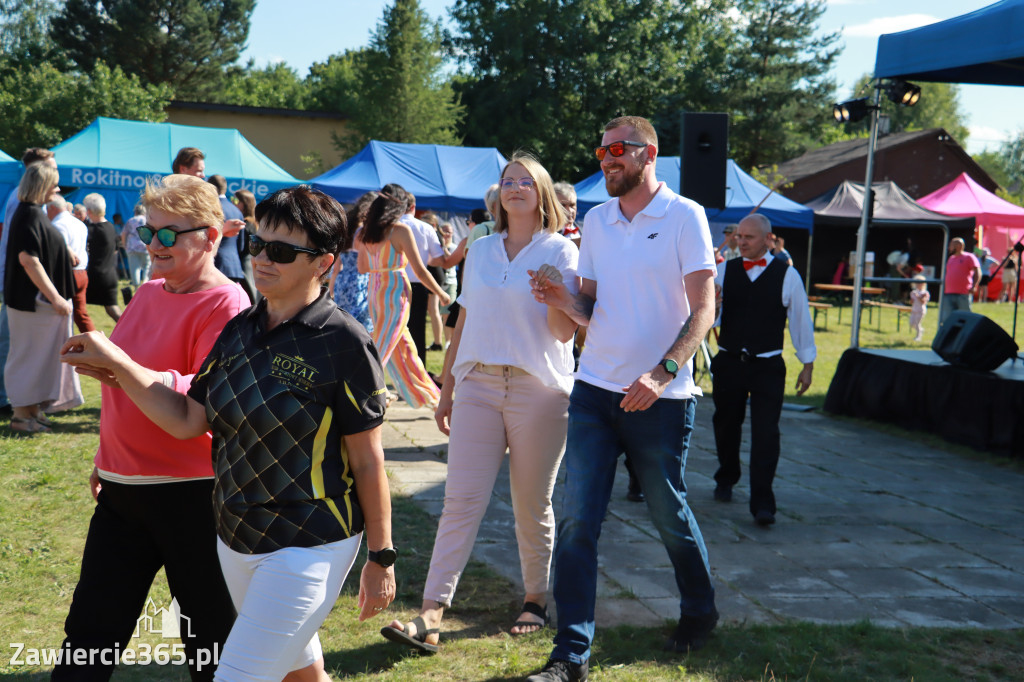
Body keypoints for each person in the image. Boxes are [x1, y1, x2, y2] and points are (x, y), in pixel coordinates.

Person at [61, 185, 396, 682]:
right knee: (299, 673)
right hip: (236, 540)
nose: (262, 260)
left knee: (235, 674)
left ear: (324, 263)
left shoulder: (342, 341)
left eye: (281, 252)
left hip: (308, 541)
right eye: (258, 245)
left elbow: (368, 461)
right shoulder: (241, 329)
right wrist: (117, 374)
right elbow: (189, 419)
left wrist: (381, 557)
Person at [528, 115, 718, 682]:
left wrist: (661, 374)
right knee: (577, 519)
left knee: (668, 514)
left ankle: (699, 610)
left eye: (618, 149)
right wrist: (562, 297)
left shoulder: (686, 216)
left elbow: (704, 310)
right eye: (601, 149)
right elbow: (590, 310)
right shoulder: (596, 220)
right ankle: (570, 654)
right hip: (593, 392)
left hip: (662, 398)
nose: (606, 158)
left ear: (648, 153)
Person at [51, 174, 247, 681]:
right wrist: (106, 456)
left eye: (168, 234)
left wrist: (115, 361)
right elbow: (130, 382)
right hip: (123, 490)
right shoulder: (150, 291)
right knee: (90, 632)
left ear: (212, 236)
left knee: (211, 642)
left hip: (193, 498)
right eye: (148, 231)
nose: (152, 245)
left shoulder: (228, 304)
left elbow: (195, 403)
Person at [380, 152, 578, 654]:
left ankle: (536, 599)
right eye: (506, 181)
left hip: (539, 390)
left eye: (524, 182)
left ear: (542, 194)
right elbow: (464, 321)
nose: (513, 187)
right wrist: (446, 388)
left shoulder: (563, 249)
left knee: (532, 504)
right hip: (477, 385)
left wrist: (556, 297)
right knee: (460, 500)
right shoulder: (482, 248)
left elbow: (562, 335)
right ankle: (430, 612)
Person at [710, 213, 816, 527]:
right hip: (729, 361)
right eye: (738, 236)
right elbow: (709, 319)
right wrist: (713, 306)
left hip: (768, 365)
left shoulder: (787, 276)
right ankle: (726, 476)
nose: (741, 242)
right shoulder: (722, 271)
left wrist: (807, 365)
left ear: (767, 239)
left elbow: (800, 322)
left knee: (766, 433)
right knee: (726, 424)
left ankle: (763, 503)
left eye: (748, 237)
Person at [357, 185, 451, 408]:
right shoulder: (399, 231)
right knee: (384, 345)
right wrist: (440, 292)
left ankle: (430, 396)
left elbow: (362, 267)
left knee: (404, 349)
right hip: (395, 292)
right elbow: (420, 270)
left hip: (375, 290)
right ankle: (360, 388)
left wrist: (379, 263)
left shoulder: (365, 232)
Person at [4, 163, 81, 433]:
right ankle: (22, 416)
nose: (58, 189)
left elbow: (37, 249)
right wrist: (56, 298)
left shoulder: (31, 213)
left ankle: (32, 410)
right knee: (29, 356)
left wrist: (63, 250)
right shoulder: (29, 214)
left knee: (37, 356)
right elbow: (29, 260)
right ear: (42, 186)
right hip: (33, 302)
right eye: (54, 184)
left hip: (35, 303)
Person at [1, 148, 59, 416]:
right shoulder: (25, 207)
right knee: (13, 346)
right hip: (20, 288)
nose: (56, 179)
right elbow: (25, 253)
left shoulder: (29, 206)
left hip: (20, 286)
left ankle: (21, 404)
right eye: (52, 169)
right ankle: (10, 402)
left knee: (16, 346)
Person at [400, 191, 446, 367]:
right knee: (417, 331)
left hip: (394, 283)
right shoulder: (425, 228)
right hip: (417, 284)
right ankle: (419, 370)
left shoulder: (390, 226)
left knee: (393, 332)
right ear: (413, 207)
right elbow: (438, 259)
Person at [46, 196, 96, 333]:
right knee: (81, 314)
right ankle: (96, 342)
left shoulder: (57, 225)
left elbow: (59, 252)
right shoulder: (79, 223)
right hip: (81, 272)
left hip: (65, 273)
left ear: (52, 208)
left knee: (60, 313)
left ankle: (63, 344)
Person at [329, 191, 375, 332]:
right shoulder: (362, 231)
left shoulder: (346, 227)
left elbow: (337, 267)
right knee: (362, 327)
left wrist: (331, 288)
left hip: (342, 280)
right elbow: (366, 264)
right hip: (360, 281)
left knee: (343, 324)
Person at [208, 175, 250, 302]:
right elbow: (241, 245)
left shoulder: (211, 208)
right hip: (234, 265)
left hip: (216, 264)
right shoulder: (236, 210)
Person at [83, 193, 122, 323]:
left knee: (74, 306)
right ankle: (133, 333)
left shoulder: (90, 229)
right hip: (109, 274)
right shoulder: (110, 227)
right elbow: (116, 250)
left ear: (88, 211)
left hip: (94, 276)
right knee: (112, 309)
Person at [939, 237, 981, 325]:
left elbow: (978, 272)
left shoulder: (969, 257)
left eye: (951, 245)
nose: (949, 247)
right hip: (949, 293)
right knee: (947, 318)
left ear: (959, 245)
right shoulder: (951, 258)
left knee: (965, 318)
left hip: (963, 293)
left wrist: (974, 286)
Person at [232, 188, 260, 304]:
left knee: (248, 292)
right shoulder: (256, 223)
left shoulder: (244, 224)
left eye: (235, 200)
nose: (232, 202)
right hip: (252, 262)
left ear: (244, 204)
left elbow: (241, 247)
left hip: (244, 263)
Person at [121, 203, 151, 287]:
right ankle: (146, 284)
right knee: (147, 267)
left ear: (135, 212)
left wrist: (125, 245)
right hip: (146, 247)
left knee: (135, 268)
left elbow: (124, 233)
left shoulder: (131, 220)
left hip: (132, 247)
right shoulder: (147, 220)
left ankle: (136, 287)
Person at [909, 275, 930, 342]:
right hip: (914, 309)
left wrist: (918, 296)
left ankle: (918, 337)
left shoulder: (925, 293)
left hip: (921, 310)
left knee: (917, 323)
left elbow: (923, 302)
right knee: (911, 323)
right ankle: (921, 330)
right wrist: (912, 297)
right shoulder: (914, 292)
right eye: (917, 283)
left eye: (920, 283)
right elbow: (911, 302)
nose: (918, 284)